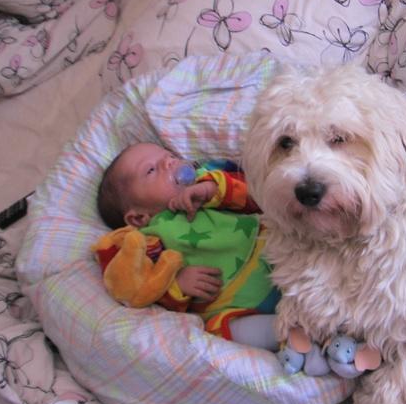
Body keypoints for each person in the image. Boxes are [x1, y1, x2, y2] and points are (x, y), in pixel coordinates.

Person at [93, 142, 280, 351]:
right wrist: (177, 285)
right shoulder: (147, 239)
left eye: (169, 155)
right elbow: (144, 286)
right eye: (151, 169)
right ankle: (288, 333)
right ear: (138, 217)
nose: (170, 162)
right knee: (221, 331)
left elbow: (259, 196)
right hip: (235, 304)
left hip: (277, 254)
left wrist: (212, 190)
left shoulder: (207, 180)